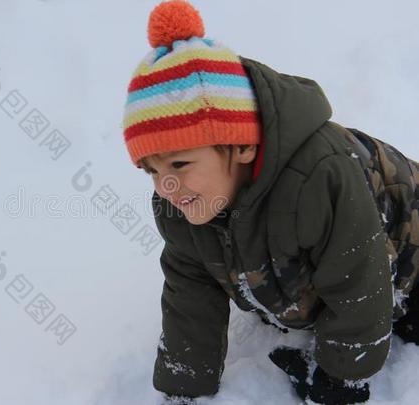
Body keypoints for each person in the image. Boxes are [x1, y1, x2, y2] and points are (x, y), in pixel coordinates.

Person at [121, 1, 419, 404]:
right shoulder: (183, 204)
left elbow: (360, 281)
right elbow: (190, 297)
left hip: (404, 250)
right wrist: (184, 388)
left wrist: (338, 380)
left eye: (180, 163)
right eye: (152, 171)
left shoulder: (317, 179)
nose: (167, 185)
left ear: (242, 145)